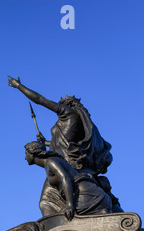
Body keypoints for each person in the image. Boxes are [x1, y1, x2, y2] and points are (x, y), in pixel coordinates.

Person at [8, 76, 123, 215]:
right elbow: (67, 145)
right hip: (71, 166)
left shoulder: (68, 113)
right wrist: (45, 142)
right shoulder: (78, 123)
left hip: (64, 166)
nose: (59, 107)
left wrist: (19, 86)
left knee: (45, 201)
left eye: (61, 104)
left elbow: (40, 100)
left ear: (66, 105)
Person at [24, 141, 113, 220]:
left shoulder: (51, 161)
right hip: (85, 194)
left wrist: (70, 205)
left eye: (26, 154)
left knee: (60, 219)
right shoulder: (50, 163)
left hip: (88, 196)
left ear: (32, 153)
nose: (25, 158)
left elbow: (65, 178)